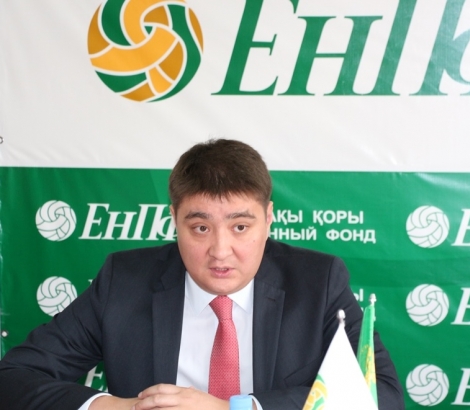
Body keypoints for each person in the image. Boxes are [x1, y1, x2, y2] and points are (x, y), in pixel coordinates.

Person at [0, 139, 404, 410]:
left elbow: (379, 395)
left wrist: (235, 408)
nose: (220, 250)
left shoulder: (318, 282)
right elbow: (14, 377)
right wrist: (119, 407)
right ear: (174, 219)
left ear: (268, 219)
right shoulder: (124, 280)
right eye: (200, 228)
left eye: (240, 226)